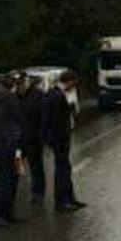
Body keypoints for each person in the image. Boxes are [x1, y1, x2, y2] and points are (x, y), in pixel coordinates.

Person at [44, 70, 85, 213]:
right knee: (62, 171)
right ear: (69, 81)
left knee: (65, 169)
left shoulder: (56, 94)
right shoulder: (56, 96)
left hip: (60, 138)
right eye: (73, 83)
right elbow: (55, 120)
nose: (74, 86)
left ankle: (70, 198)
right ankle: (61, 202)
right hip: (59, 139)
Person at [0, 74, 23, 226]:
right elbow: (9, 120)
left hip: (4, 140)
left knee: (6, 176)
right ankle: (1, 213)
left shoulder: (0, 92)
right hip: (7, 141)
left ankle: (5, 213)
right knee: (6, 178)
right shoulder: (4, 94)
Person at [16, 72, 46, 203]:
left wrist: (42, 135)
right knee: (15, 166)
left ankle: (38, 193)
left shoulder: (38, 95)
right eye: (17, 83)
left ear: (26, 82)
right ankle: (11, 194)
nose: (19, 86)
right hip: (17, 141)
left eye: (21, 83)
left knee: (36, 168)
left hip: (34, 139)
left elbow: (43, 117)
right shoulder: (12, 96)